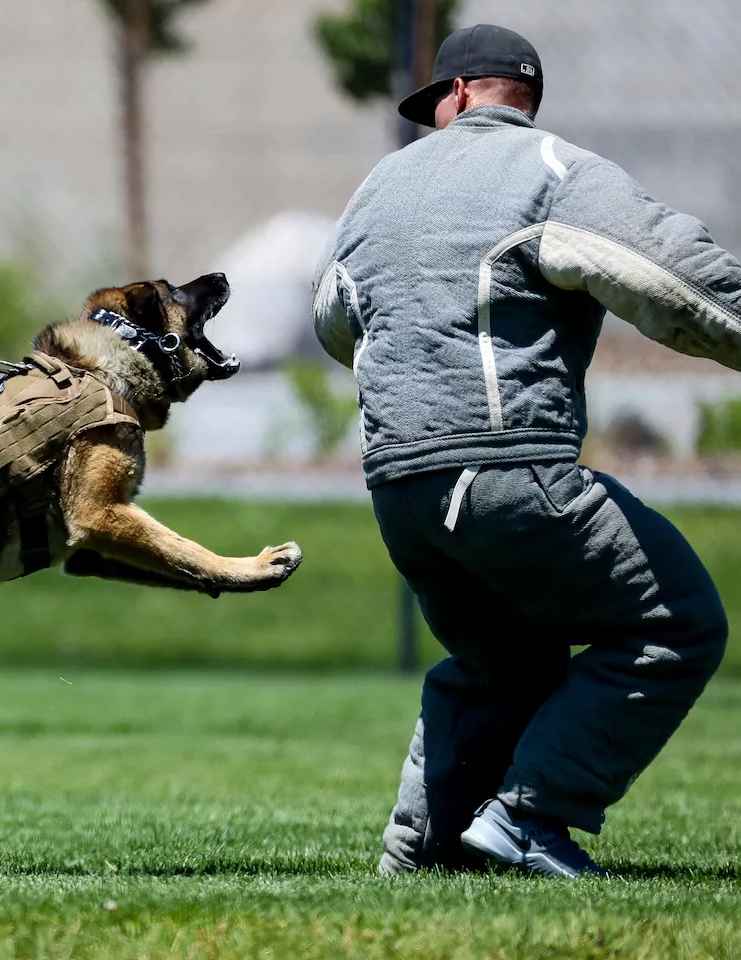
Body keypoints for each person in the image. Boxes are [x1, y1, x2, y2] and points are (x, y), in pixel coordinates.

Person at [311, 23, 735, 877]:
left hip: (400, 491)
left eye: (435, 101)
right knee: (675, 620)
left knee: (503, 660)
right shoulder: (551, 171)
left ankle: (424, 851)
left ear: (461, 92)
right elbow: (672, 276)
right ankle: (535, 814)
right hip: (506, 472)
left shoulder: (376, 187)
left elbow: (332, 318)